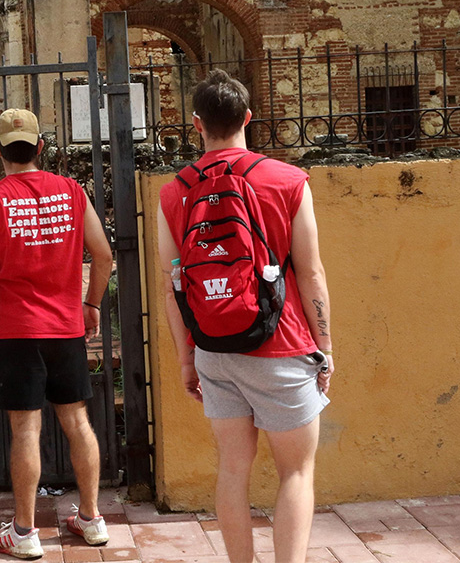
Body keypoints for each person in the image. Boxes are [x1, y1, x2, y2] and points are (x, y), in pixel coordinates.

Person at [156, 70, 334, 563]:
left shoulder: (175, 192)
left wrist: (187, 360)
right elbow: (311, 273)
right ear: (248, 118)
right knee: (296, 472)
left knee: (233, 471)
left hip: (214, 349)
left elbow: (172, 286)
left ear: (197, 124)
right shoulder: (288, 181)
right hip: (282, 345)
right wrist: (325, 348)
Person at [0, 108, 114, 560]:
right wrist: (91, 304)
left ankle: (25, 531)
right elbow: (103, 255)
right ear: (41, 147)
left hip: (18, 331)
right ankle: (91, 518)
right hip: (66, 326)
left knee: (26, 429)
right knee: (78, 422)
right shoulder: (72, 191)